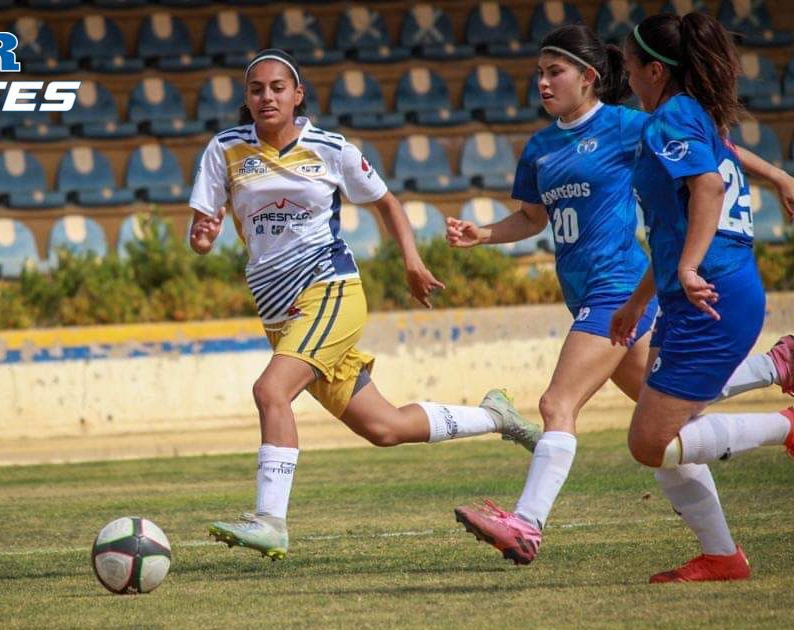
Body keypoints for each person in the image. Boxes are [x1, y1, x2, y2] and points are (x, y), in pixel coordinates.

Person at [446, 25, 794, 566]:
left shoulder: (628, 124)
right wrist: (483, 234)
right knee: (673, 427)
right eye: (538, 72)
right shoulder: (540, 147)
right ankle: (723, 552)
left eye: (554, 71)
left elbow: (712, 152)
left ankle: (527, 524)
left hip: (618, 286)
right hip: (605, 298)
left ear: (589, 78)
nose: (541, 82)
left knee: (556, 404)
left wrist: (776, 175)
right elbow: (533, 218)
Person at [188, 49, 542, 561]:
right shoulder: (224, 149)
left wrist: (412, 262)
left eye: (277, 87)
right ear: (247, 98)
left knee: (271, 390)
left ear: (298, 94)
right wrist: (202, 236)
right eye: (257, 89)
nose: (267, 96)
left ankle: (270, 521)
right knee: (385, 427)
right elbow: (200, 231)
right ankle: (496, 416)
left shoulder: (331, 148)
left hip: (330, 290)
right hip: (281, 315)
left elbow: (386, 203)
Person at [606, 12, 794, 583]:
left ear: (655, 72)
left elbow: (709, 187)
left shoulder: (671, 120)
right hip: (703, 292)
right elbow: (679, 215)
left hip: (709, 293)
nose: (627, 76)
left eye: (631, 67)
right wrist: (644, 298)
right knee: (665, 428)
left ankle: (786, 421)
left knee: (649, 443)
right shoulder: (691, 116)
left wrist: (686, 269)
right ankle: (721, 556)